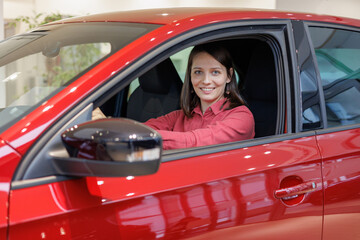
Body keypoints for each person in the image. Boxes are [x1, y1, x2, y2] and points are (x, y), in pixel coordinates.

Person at [144, 43, 255, 150]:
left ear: (229, 76)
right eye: (198, 72)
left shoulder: (242, 117)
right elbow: (141, 130)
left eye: (215, 72)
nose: (206, 81)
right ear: (190, 76)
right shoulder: (180, 115)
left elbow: (195, 142)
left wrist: (144, 138)